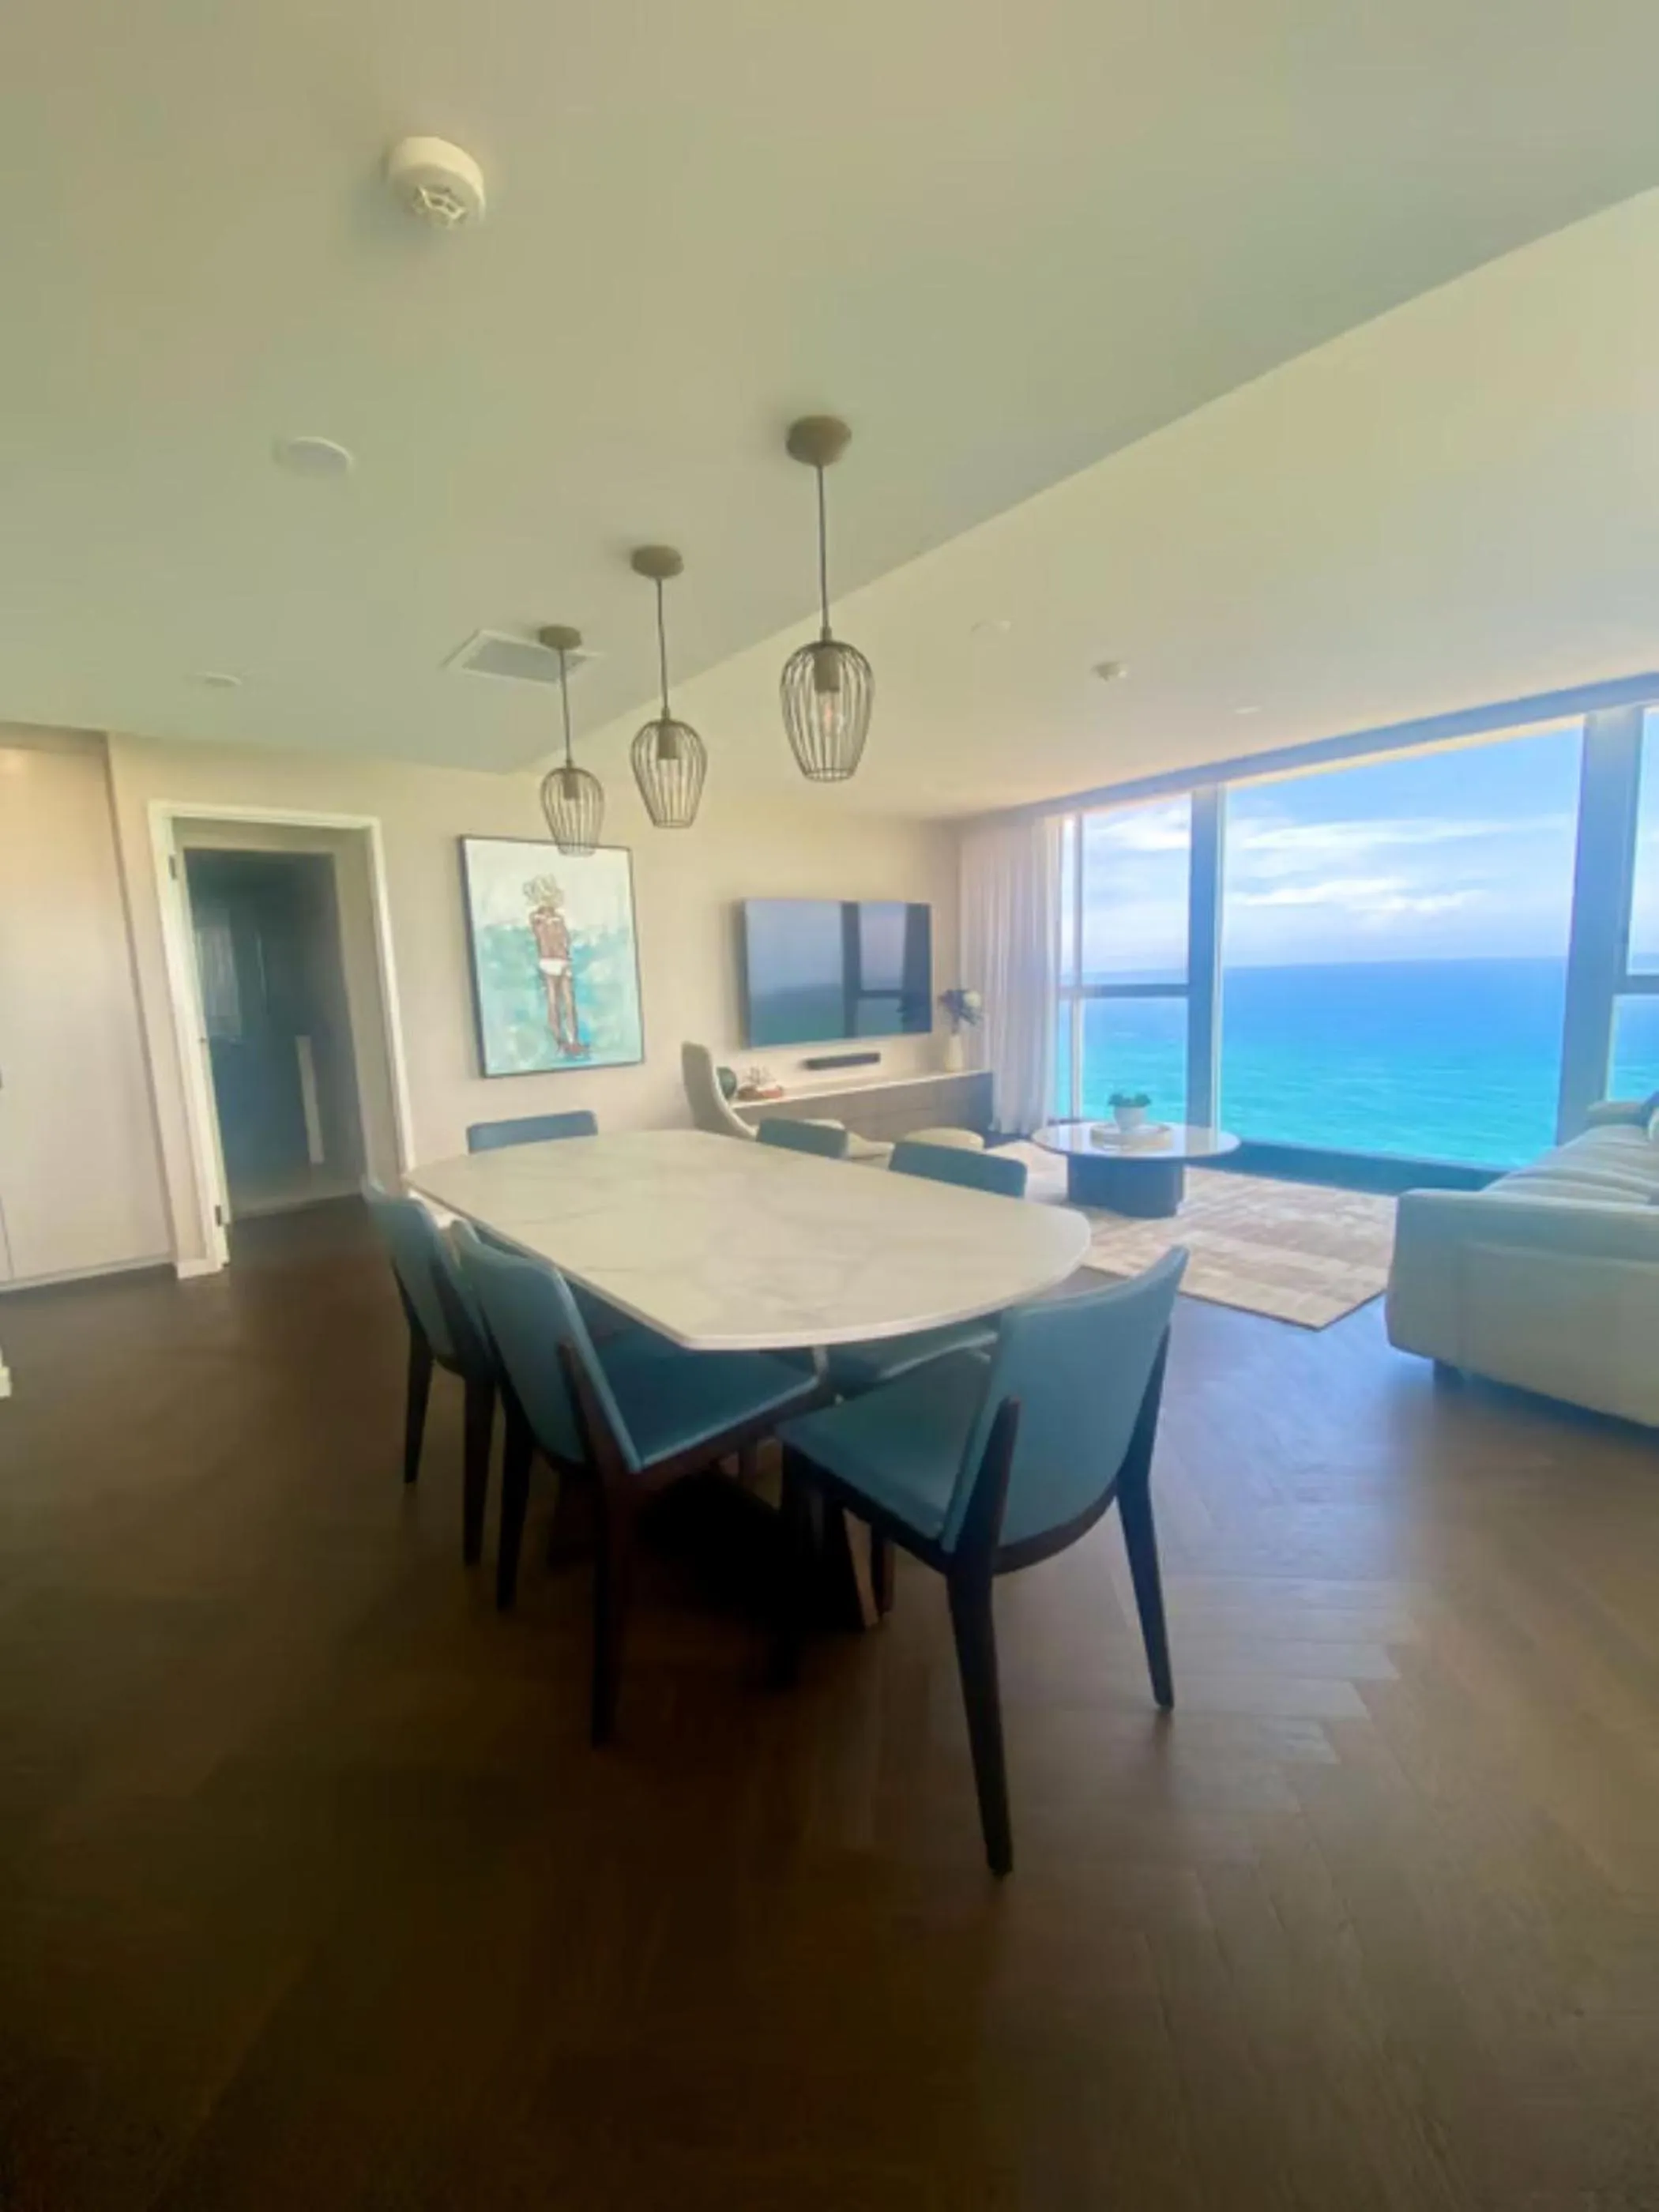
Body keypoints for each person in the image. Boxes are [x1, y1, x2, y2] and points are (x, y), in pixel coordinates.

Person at [525, 875, 588, 1058]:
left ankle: (569, 1042)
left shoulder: (549, 918)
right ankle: (564, 1041)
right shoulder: (542, 919)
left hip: (556, 960)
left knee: (564, 1003)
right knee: (558, 1002)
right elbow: (558, 937)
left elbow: (563, 938)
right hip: (552, 960)